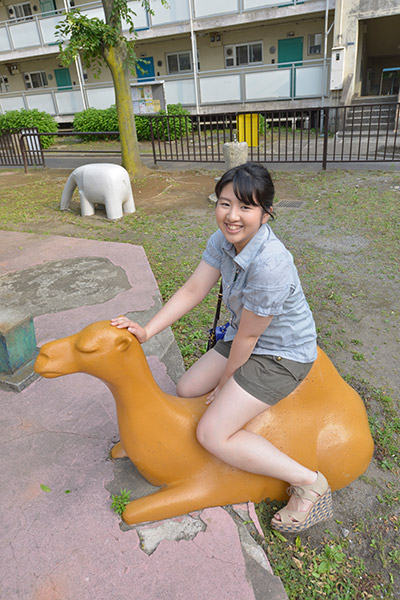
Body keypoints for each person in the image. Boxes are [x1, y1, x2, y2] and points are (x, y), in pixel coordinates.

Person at [111, 162, 333, 533]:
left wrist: (226, 384)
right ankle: (216, 426)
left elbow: (248, 339)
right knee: (187, 388)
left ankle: (309, 482)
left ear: (266, 214)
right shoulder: (222, 240)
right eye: (225, 203)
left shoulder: (271, 264)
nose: (232, 216)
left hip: (281, 354)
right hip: (244, 337)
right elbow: (193, 289)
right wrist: (147, 330)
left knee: (211, 433)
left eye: (246, 207)